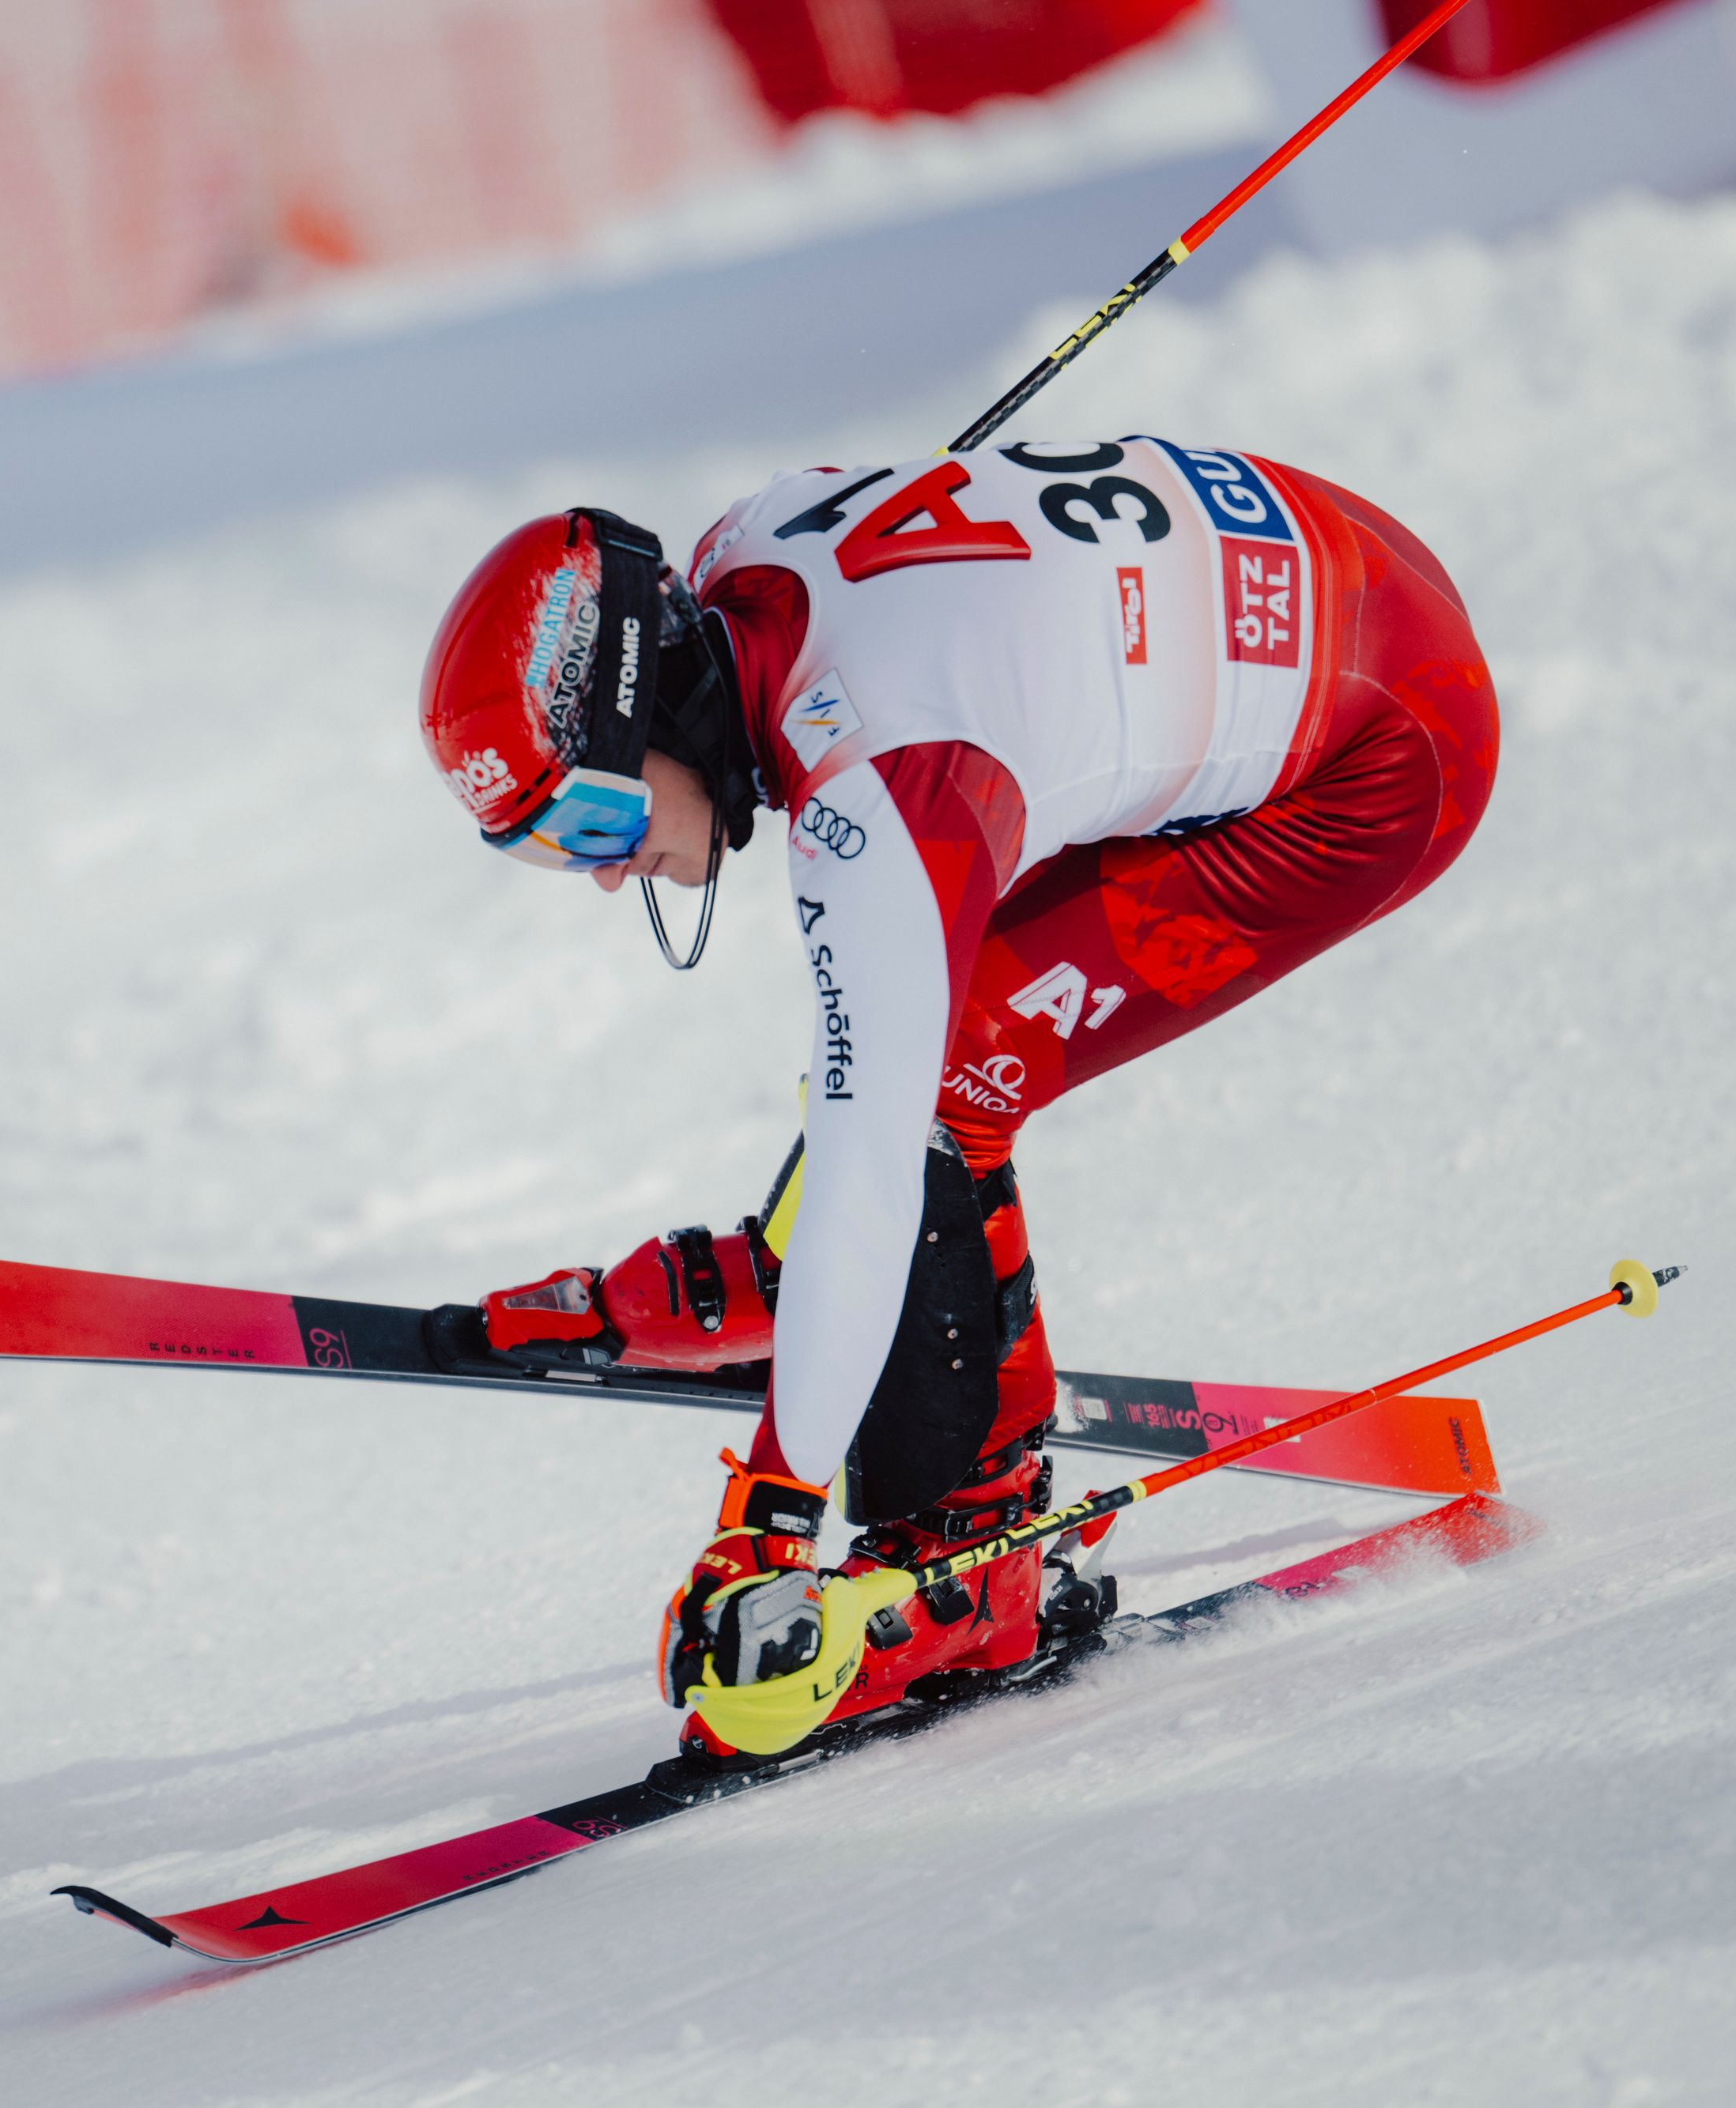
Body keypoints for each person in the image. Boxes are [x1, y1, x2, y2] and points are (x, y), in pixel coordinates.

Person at [417, 438, 1499, 1761]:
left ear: (655, 719)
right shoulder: (736, 556)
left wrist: (769, 1523)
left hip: (1386, 751)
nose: (599, 872)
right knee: (902, 1050)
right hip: (1353, 564)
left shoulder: (885, 782)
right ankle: (833, 1288)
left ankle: (978, 1548)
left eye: (590, 823)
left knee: (937, 1083)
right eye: (549, 849)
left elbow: (879, 1152)